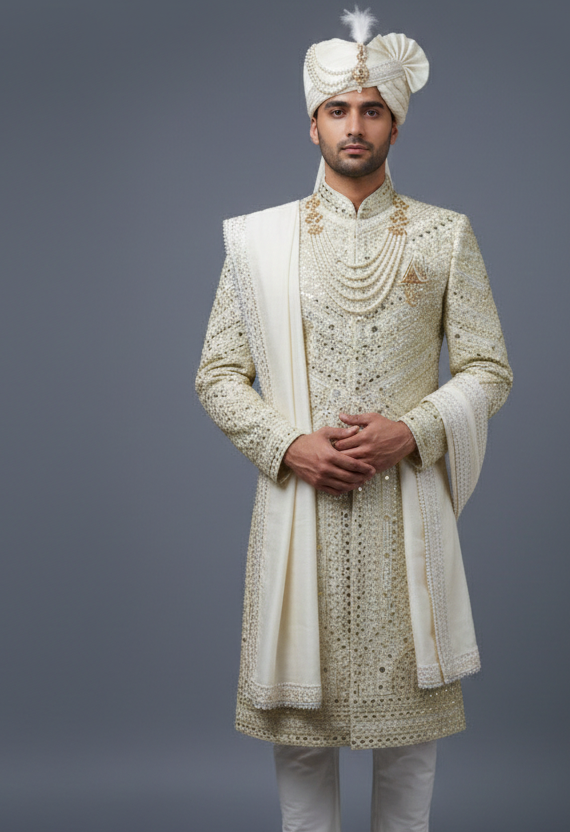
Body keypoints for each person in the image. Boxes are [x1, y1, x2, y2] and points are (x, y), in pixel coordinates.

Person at [195, 8, 512, 831]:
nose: (355, 125)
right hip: (300, 512)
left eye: (372, 109)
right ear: (312, 123)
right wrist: (287, 444)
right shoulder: (258, 241)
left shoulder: (445, 237)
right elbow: (218, 375)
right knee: (302, 744)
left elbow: (488, 369)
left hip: (407, 515)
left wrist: (417, 428)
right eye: (339, 109)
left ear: (395, 125)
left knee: (409, 753)